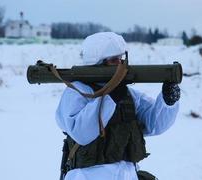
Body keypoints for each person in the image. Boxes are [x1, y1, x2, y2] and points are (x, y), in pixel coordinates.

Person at [55, 32, 180, 180]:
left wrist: (168, 102)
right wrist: (110, 97)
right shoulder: (77, 91)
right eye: (114, 60)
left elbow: (153, 124)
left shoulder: (126, 93)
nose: (120, 65)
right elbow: (81, 132)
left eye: (121, 59)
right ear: (99, 62)